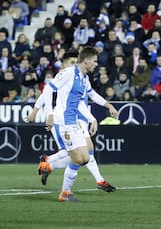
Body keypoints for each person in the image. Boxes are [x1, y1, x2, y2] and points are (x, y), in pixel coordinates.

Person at [32, 47, 118, 202]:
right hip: (64, 122)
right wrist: (49, 114)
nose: (96, 65)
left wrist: (93, 117)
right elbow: (48, 90)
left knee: (84, 158)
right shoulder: (68, 73)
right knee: (77, 158)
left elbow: (80, 103)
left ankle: (49, 165)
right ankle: (65, 193)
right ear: (87, 60)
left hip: (75, 122)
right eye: (95, 61)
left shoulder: (84, 78)